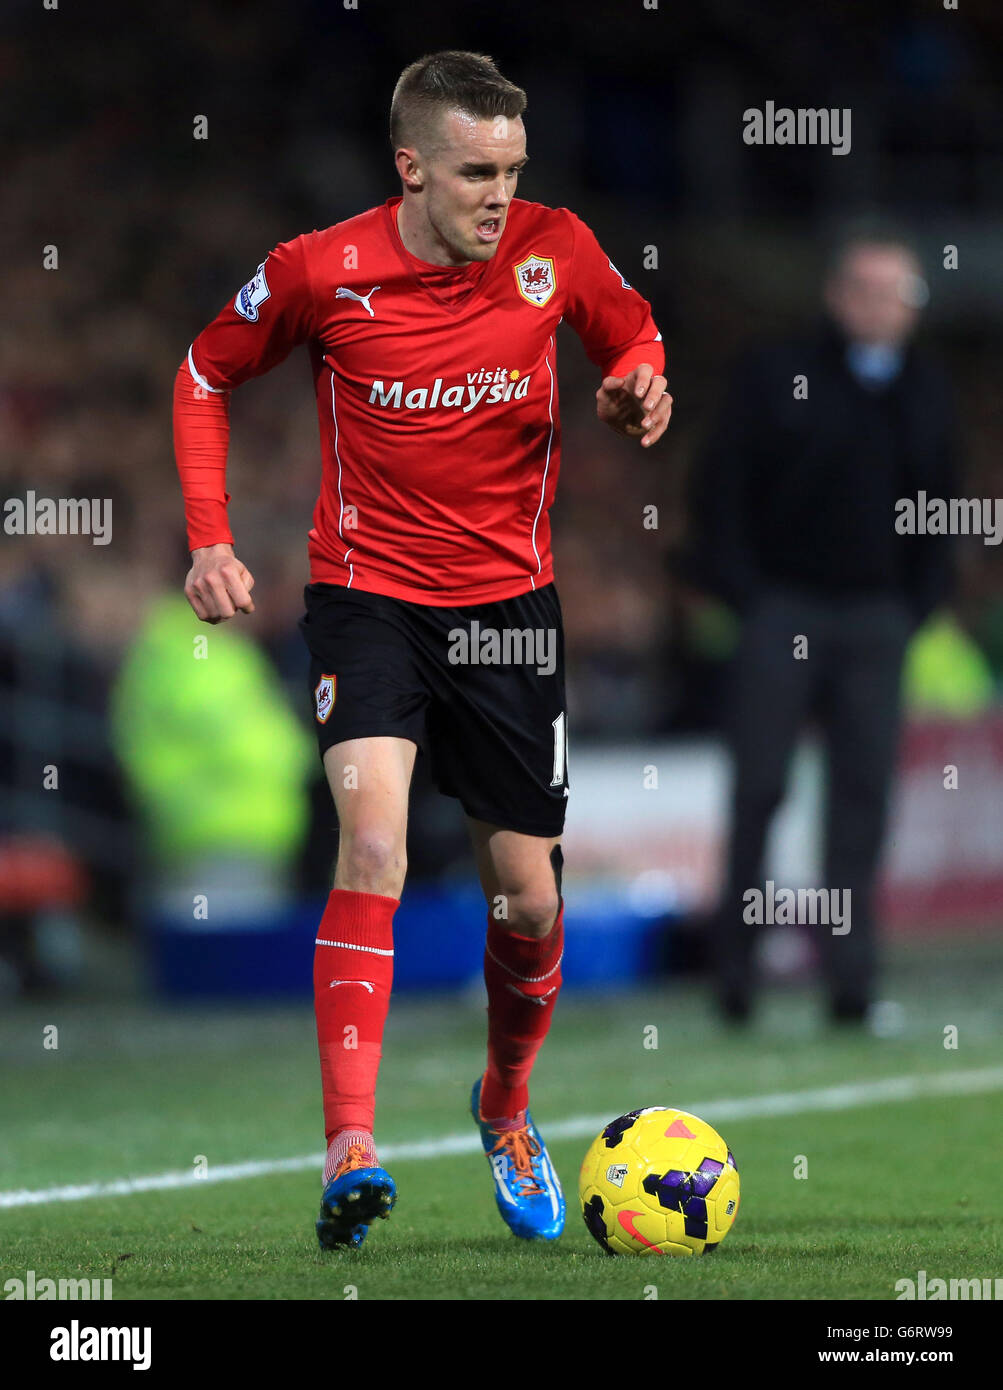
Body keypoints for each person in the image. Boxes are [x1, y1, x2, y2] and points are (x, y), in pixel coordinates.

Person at [172, 50, 671, 1249]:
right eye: (472, 173)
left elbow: (634, 336)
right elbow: (201, 373)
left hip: (509, 608)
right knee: (377, 841)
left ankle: (503, 1104)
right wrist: (208, 538)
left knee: (528, 899)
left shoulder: (557, 247)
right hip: (369, 598)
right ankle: (350, 1142)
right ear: (410, 167)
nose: (498, 196)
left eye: (510, 170)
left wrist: (640, 388)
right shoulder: (321, 269)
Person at [688, 226, 957, 1027]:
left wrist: (916, 603)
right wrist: (745, 595)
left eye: (900, 293)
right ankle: (732, 979)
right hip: (783, 607)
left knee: (861, 801)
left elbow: (940, 501)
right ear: (838, 296)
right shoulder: (778, 373)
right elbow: (721, 484)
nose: (884, 308)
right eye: (869, 290)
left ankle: (850, 984)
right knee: (759, 788)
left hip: (877, 618)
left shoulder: (926, 389)